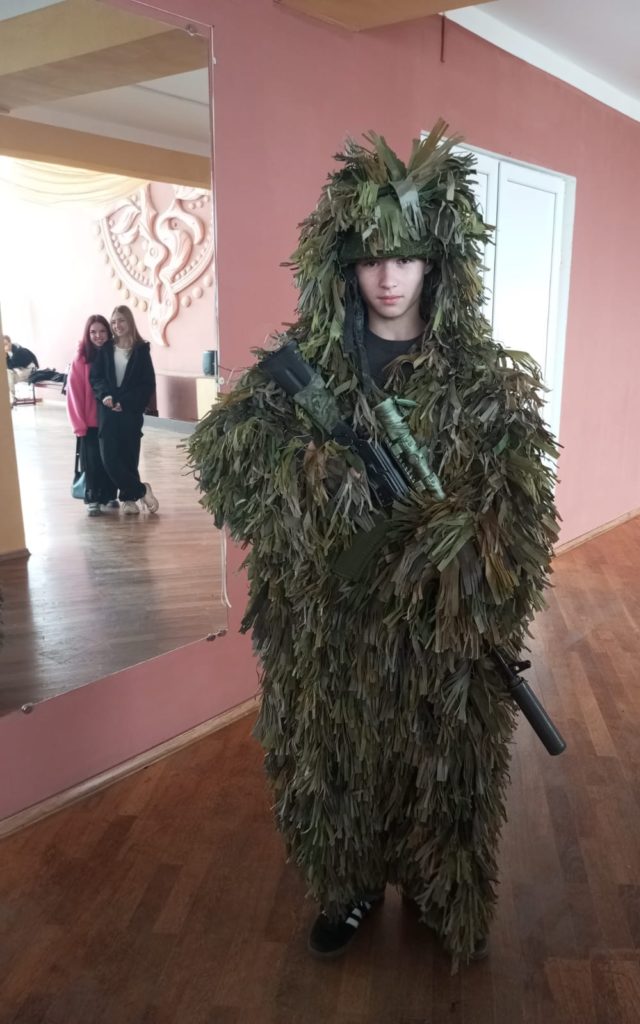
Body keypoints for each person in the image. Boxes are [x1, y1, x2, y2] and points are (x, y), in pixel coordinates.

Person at [187, 122, 558, 967]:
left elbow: (524, 507)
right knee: (337, 764)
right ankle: (347, 886)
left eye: (407, 258)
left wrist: (464, 549)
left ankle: (436, 886)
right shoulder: (310, 366)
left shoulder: (483, 378)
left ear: (437, 263)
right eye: (370, 259)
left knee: (442, 763)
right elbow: (222, 458)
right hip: (330, 622)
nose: (388, 278)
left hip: (438, 630)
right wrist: (318, 477)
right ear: (344, 266)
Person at [89, 305, 159, 515]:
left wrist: (126, 403)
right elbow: (96, 378)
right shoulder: (105, 349)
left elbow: (147, 384)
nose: (117, 325)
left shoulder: (141, 350)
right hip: (108, 412)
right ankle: (141, 490)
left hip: (130, 413)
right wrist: (105, 396)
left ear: (129, 322)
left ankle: (129, 499)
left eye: (121, 320)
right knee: (109, 458)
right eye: (113, 322)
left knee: (129, 457)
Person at [65, 315, 119, 516]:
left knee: (110, 460)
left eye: (102, 331)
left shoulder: (115, 355)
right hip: (90, 423)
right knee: (92, 462)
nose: (98, 336)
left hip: (111, 419)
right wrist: (78, 425)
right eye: (93, 332)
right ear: (87, 335)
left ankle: (110, 495)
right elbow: (74, 394)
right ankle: (93, 499)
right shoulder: (81, 359)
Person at [4, 335, 39, 401]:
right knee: (7, 375)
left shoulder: (18, 351)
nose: (4, 347)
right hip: (23, 370)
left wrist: (6, 356)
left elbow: (10, 366)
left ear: (10, 342)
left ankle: (12, 398)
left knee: (7, 376)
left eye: (5, 344)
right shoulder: (10, 351)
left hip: (30, 371)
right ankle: (12, 397)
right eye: (2, 345)